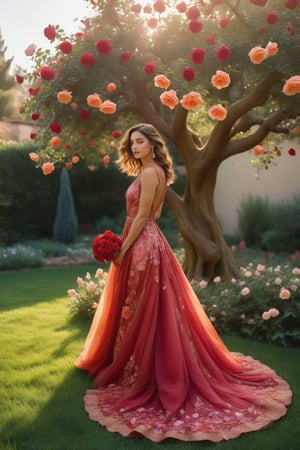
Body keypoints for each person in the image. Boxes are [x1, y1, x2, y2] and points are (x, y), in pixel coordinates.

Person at [75, 123, 292, 442]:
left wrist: (122, 247)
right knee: (146, 310)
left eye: (140, 142)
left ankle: (146, 373)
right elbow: (157, 210)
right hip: (151, 242)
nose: (134, 147)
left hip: (142, 245)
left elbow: (142, 217)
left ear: (152, 144)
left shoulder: (150, 174)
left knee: (142, 309)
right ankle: (141, 366)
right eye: (131, 142)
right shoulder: (157, 172)